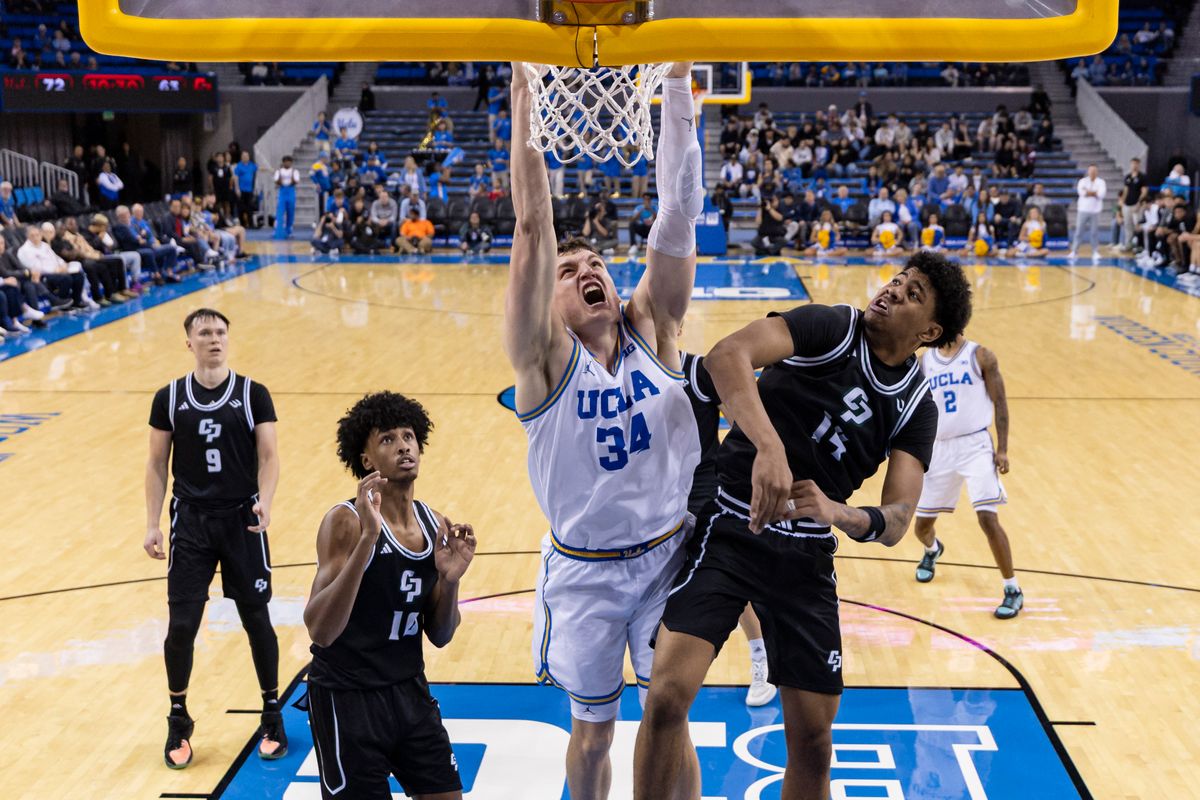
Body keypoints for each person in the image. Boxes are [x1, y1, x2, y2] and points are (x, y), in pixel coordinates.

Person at [633, 253, 973, 799]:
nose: (891, 291)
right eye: (897, 280)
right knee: (668, 696)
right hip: (732, 522)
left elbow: (899, 520)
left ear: (930, 331)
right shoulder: (833, 325)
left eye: (911, 294)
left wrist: (839, 513)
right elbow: (728, 356)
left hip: (806, 556)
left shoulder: (917, 406)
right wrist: (769, 447)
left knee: (814, 741)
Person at [506, 60, 705, 800]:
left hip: (665, 559)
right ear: (551, 304)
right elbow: (533, 225)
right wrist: (525, 88)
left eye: (597, 264)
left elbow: (678, 211)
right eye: (570, 270)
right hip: (584, 572)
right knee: (592, 736)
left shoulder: (656, 327)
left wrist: (678, 91)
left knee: (669, 715)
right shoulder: (543, 363)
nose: (588, 268)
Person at [303, 391, 475, 800]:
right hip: (347, 698)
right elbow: (320, 630)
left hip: (408, 690)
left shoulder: (434, 524)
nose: (402, 446)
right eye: (387, 440)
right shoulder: (344, 521)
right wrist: (367, 542)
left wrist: (450, 581)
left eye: (409, 437)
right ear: (366, 460)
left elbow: (441, 634)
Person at [144, 308, 285, 769]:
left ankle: (271, 713)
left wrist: (265, 500)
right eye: (204, 332)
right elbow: (155, 464)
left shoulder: (253, 394)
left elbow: (269, 456)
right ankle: (178, 717)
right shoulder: (169, 397)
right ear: (189, 342)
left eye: (221, 332)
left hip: (243, 519)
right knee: (181, 625)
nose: (214, 339)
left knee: (257, 621)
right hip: (192, 522)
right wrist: (152, 523)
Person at [912, 327, 1022, 616]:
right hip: (938, 449)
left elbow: (1000, 402)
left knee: (987, 518)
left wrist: (1003, 449)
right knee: (920, 528)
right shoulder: (925, 362)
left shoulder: (981, 356)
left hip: (975, 445)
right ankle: (933, 549)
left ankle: (1012, 588)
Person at [17, 224, 92, 309]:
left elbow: (56, 257)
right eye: (32, 236)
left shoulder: (44, 245)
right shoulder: (24, 250)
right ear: (27, 237)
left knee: (78, 275)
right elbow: (36, 268)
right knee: (66, 278)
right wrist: (56, 270)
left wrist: (63, 264)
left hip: (57, 271)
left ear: (41, 235)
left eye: (37, 235)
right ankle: (63, 304)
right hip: (43, 276)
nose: (35, 237)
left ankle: (76, 301)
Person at [1069, 164, 1106, 262]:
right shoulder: (1082, 181)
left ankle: (1095, 251)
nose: (1092, 172)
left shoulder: (1101, 182)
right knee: (1079, 231)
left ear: (1097, 172)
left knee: (1094, 232)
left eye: (1094, 171)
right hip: (1083, 209)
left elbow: (1101, 194)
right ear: (1088, 171)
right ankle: (1074, 251)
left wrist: (1089, 192)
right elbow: (1082, 193)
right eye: (1091, 170)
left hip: (1095, 210)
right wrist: (1094, 192)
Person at [1118, 158, 1148, 253]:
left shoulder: (1142, 177)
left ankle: (1139, 245)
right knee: (1127, 225)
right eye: (1133, 164)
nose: (1134, 166)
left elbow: (1144, 191)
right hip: (1127, 204)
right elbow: (1126, 190)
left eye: (1136, 164)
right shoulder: (1128, 176)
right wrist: (1122, 201)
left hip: (1136, 205)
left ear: (1139, 165)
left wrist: (1139, 202)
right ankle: (1128, 244)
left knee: (1137, 225)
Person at [274, 156, 300, 239]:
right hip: (282, 193)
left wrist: (290, 179)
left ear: (291, 163)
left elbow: (296, 181)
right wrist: (280, 179)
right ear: (283, 162)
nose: (287, 163)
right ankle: (278, 232)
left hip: (291, 193)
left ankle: (288, 231)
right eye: (285, 162)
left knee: (290, 212)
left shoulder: (295, 171)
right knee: (280, 212)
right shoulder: (279, 171)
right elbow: (276, 182)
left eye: (289, 162)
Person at [234, 151, 258, 228]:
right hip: (241, 190)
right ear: (241, 157)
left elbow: (259, 168)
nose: (245, 157)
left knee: (250, 208)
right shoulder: (239, 166)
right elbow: (236, 177)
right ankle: (242, 224)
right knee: (241, 208)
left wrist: (269, 170)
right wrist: (237, 188)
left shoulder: (251, 165)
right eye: (244, 156)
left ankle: (251, 224)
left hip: (249, 190)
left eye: (247, 156)